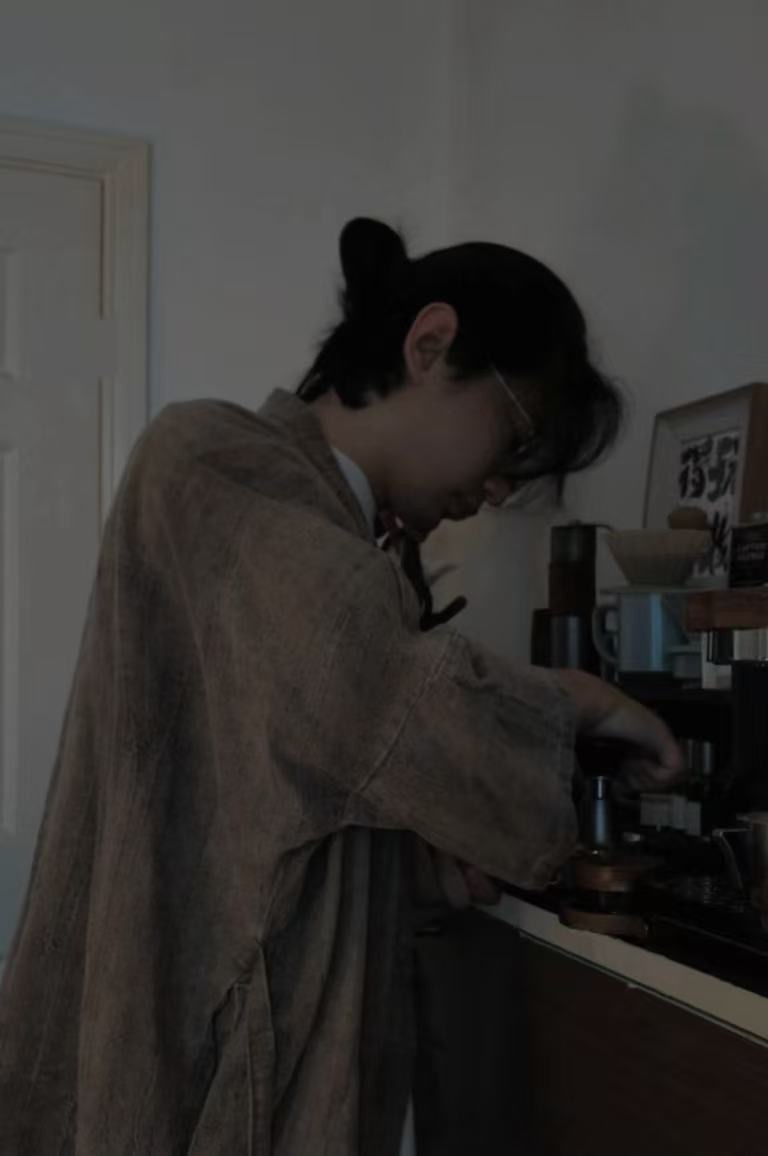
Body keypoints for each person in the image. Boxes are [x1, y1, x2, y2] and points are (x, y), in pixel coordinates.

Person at [0, 217, 681, 1154]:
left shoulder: (347, 545)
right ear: (430, 344)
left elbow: (286, 795)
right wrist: (582, 700)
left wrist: (425, 852)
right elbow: (366, 686)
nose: (500, 488)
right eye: (517, 438)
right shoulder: (207, 459)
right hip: (198, 1060)